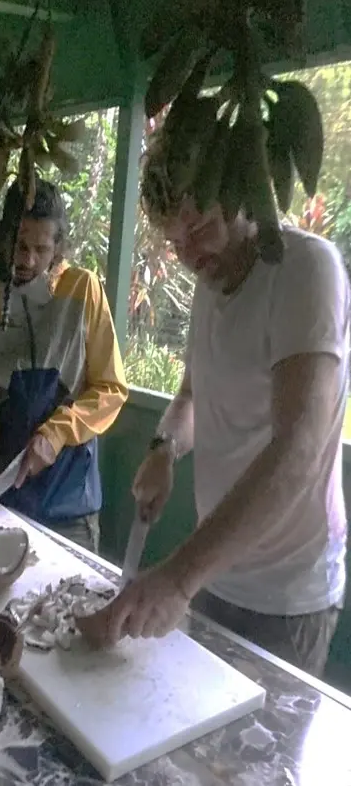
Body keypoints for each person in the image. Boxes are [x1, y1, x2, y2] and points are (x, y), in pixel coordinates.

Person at [78, 165, 348, 676]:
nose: (188, 256)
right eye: (174, 242)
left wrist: (178, 579)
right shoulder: (211, 281)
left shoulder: (305, 269)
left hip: (285, 595)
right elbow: (191, 395)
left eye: (199, 229)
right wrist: (164, 449)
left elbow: (300, 450)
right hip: (214, 574)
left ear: (242, 194)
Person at [0, 178, 129, 553]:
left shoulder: (83, 290)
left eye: (41, 249)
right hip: (6, 504)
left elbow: (110, 389)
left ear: (58, 248)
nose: (26, 260)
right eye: (19, 246)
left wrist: (57, 433)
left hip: (73, 509)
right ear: (1, 238)